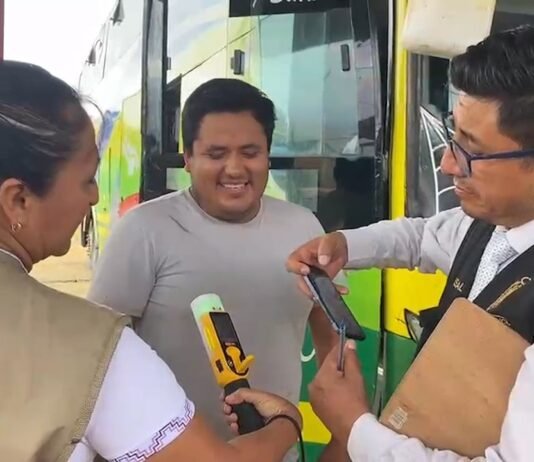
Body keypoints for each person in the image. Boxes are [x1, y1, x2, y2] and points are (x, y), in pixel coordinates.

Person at [0, 60, 301, 462]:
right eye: (88, 179)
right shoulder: (91, 343)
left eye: (250, 152)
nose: (95, 197)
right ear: (18, 199)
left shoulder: (302, 225)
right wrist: (287, 422)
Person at [286, 25, 534, 461]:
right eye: (452, 137)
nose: (447, 164)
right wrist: (344, 244)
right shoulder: (489, 224)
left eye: (470, 151)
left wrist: (354, 427)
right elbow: (419, 238)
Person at [88, 78, 338, 460]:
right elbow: (97, 354)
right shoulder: (144, 230)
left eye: (250, 152)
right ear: (188, 157)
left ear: (268, 155)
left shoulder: (303, 227)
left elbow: (330, 332)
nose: (234, 169)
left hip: (274, 450)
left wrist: (342, 431)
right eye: (216, 154)